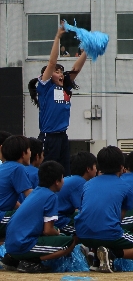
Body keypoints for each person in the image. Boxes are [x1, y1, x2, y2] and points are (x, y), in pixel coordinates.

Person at [75, 146, 133, 273]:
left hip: (82, 234)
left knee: (100, 225)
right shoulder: (125, 187)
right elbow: (120, 218)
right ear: (122, 166)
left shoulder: (88, 184)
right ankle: (112, 254)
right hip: (108, 233)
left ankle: (97, 259)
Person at [27, 23, 86, 176]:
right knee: (48, 174)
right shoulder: (46, 87)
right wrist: (58, 36)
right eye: (56, 72)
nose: (60, 74)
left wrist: (87, 51)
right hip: (49, 136)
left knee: (64, 174)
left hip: (62, 136)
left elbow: (76, 69)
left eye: (61, 72)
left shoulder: (65, 87)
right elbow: (52, 62)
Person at [3, 161, 76, 273]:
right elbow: (48, 230)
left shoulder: (36, 192)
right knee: (69, 243)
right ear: (56, 182)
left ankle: (14, 259)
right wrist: (58, 234)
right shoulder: (51, 196)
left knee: (56, 233)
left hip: (11, 243)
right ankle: (31, 261)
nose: (63, 182)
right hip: (22, 244)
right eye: (62, 178)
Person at [0, 136, 36, 237]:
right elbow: (30, 195)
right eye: (29, 150)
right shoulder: (18, 168)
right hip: (1, 217)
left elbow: (11, 201)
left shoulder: (4, 166)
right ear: (23, 153)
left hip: (3, 214)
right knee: (37, 222)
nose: (30, 153)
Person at [55, 151, 97, 234]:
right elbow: (84, 210)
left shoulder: (72, 179)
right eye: (95, 165)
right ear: (88, 169)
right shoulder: (80, 183)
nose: (96, 169)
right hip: (59, 221)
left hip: (59, 217)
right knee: (90, 230)